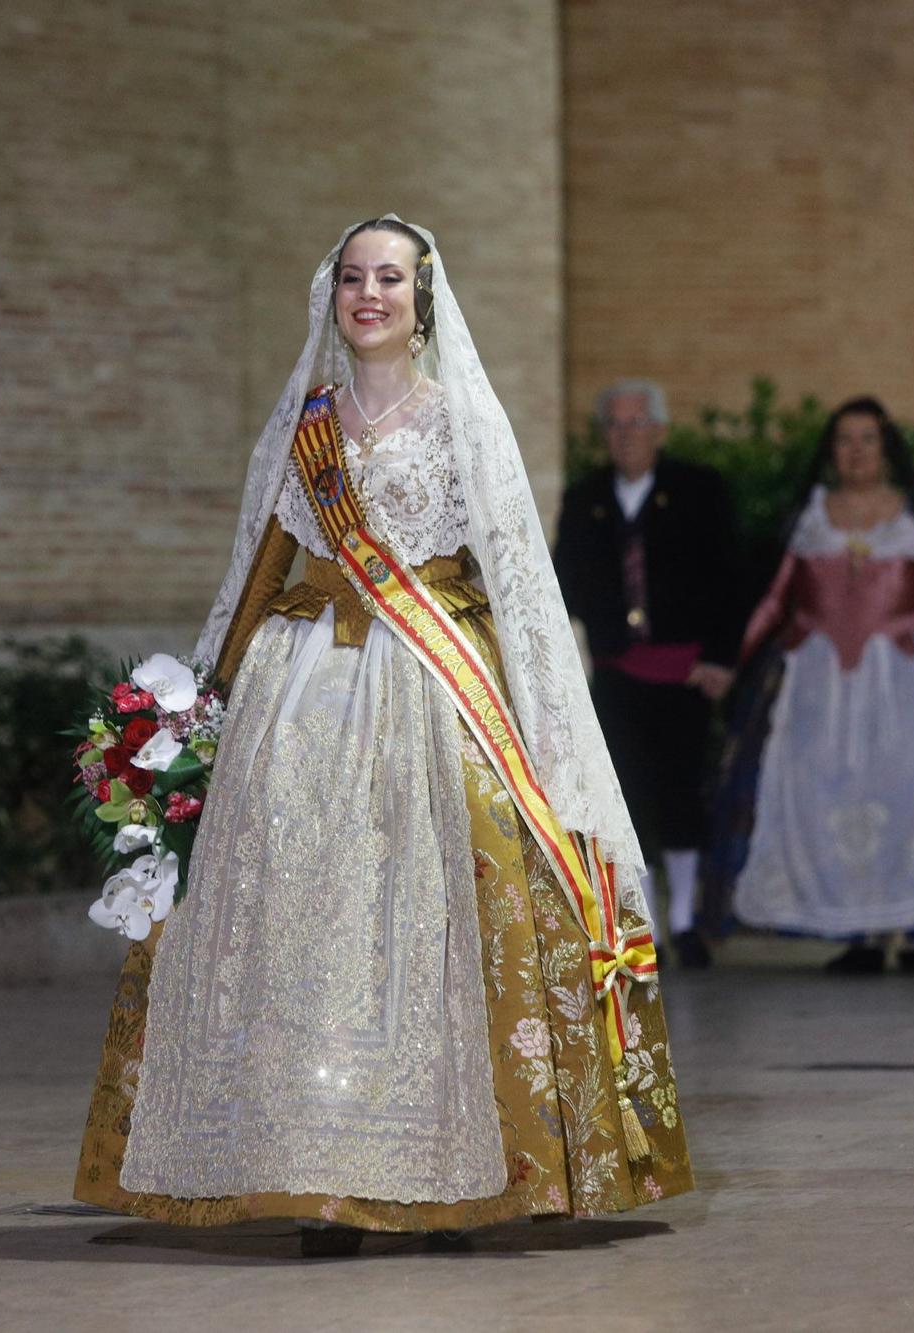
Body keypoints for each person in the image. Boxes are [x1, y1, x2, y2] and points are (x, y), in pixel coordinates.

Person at [74, 217, 691, 1257]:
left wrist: (548, 722)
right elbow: (256, 569)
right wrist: (193, 713)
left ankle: (454, 1185)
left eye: (389, 278)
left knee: (441, 914)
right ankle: (320, 1176)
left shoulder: (459, 420)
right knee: (296, 914)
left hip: (431, 686)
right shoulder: (301, 426)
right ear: (331, 295)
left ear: (423, 296)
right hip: (298, 688)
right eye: (353, 278)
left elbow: (517, 581)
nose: (369, 295)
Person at [704, 397, 914, 974]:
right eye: (844, 440)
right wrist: (734, 662)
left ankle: (911, 926)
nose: (855, 451)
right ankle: (857, 930)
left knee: (908, 793)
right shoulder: (810, 517)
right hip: (815, 682)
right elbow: (776, 600)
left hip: (904, 682)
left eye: (867, 440)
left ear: (886, 449)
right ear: (831, 450)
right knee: (827, 794)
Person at [554, 380, 741, 971]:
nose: (626, 435)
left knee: (682, 792)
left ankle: (685, 920)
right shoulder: (587, 496)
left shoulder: (699, 490)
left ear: (659, 430)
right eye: (615, 425)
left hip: (686, 671)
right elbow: (566, 578)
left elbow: (729, 577)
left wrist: (722, 656)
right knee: (628, 796)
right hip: (617, 671)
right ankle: (646, 927)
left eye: (637, 424)